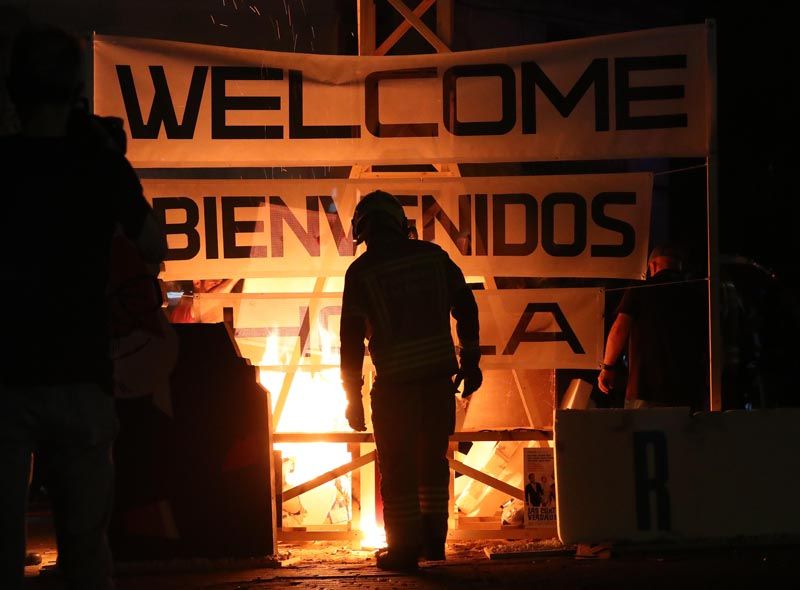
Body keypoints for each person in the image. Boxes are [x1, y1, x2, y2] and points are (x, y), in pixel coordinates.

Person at [0, 25, 165, 589]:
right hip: (80, 375)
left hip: (7, 376)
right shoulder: (97, 165)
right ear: (75, 92)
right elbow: (152, 244)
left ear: (14, 91)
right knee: (86, 549)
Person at [339, 190, 481, 571]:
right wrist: (470, 360)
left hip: (396, 389)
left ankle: (403, 550)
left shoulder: (361, 272)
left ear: (362, 229)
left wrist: (352, 397)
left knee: (398, 469)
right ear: (401, 224)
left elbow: (350, 342)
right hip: (437, 385)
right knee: (432, 466)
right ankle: (433, 543)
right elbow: (466, 305)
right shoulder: (433, 259)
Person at [597, 245, 708, 411]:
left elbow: (620, 328)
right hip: (687, 393)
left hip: (644, 391)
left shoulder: (641, 289)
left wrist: (607, 368)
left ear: (653, 266)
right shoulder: (696, 293)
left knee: (642, 435)